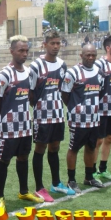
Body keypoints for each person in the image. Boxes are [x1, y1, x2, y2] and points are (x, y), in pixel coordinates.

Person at [0, 35, 44, 210]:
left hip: (25, 125)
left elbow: (29, 97)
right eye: (21, 50)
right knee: (4, 160)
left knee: (23, 158)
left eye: (26, 50)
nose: (24, 54)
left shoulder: (30, 73)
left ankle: (23, 191)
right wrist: (3, 120)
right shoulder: (4, 74)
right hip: (9, 126)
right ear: (12, 51)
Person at [29, 30, 75, 202]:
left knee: (54, 147)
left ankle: (56, 183)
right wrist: (39, 108)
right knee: (40, 149)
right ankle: (39, 187)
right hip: (42, 115)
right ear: (45, 44)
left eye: (58, 43)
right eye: (52, 43)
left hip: (58, 114)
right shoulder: (36, 66)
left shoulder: (62, 65)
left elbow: (63, 89)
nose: (56, 46)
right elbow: (30, 92)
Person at [61, 44, 105, 193]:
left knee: (91, 147)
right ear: (81, 55)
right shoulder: (72, 73)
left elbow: (101, 92)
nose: (91, 57)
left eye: (93, 55)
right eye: (88, 55)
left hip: (94, 118)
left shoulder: (99, 73)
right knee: (74, 148)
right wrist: (74, 108)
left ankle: (89, 177)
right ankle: (71, 180)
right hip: (78, 119)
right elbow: (65, 94)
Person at [93, 35, 111, 182]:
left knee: (110, 138)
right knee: (98, 141)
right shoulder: (99, 65)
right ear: (108, 48)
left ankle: (102, 169)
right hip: (100, 110)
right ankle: (91, 171)